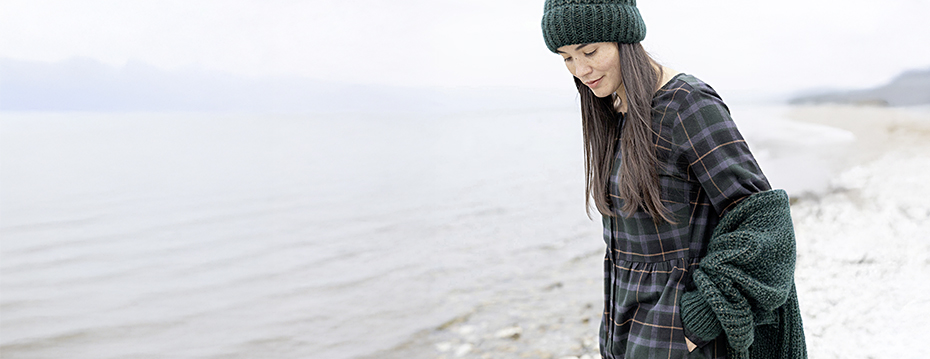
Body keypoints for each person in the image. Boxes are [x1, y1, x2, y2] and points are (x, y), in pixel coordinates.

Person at [540, 1, 807, 358]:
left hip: (679, 339)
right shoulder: (615, 111)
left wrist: (700, 320)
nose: (581, 70)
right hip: (626, 333)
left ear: (625, 37)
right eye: (567, 58)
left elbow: (764, 221)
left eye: (590, 51)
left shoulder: (686, 104)